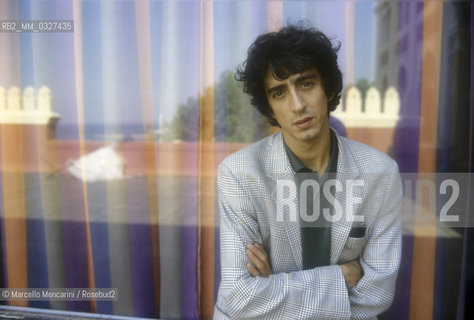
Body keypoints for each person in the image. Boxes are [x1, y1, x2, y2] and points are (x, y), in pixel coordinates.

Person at [214, 24, 402, 319]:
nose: (297, 105)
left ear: (328, 88)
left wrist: (273, 287)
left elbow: (377, 293)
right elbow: (240, 297)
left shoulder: (381, 173)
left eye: (305, 83)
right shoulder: (239, 173)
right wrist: (342, 277)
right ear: (269, 109)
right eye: (279, 93)